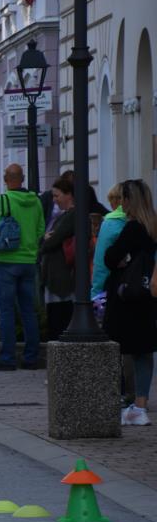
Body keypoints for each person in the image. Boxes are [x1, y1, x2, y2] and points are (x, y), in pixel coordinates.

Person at [105, 179, 157, 426]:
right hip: (149, 295)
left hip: (127, 296)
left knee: (116, 347)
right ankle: (140, 405)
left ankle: (117, 400)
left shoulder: (132, 228)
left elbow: (110, 258)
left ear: (128, 201)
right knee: (143, 351)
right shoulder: (153, 227)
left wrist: (119, 258)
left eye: (123, 199)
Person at [0, 164, 45, 371]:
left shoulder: (1, 201)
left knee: (6, 312)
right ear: (23, 178)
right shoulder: (36, 201)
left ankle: (7, 359)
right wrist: (31, 249)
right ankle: (31, 358)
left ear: (5, 179)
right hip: (28, 262)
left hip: (5, 261)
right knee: (29, 311)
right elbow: (40, 230)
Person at [40, 178, 77, 340]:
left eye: (57, 196)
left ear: (69, 195)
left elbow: (53, 240)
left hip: (61, 278)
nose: (54, 200)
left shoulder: (71, 215)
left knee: (58, 321)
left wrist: (44, 240)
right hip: (57, 276)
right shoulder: (64, 216)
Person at [92, 183, 126, 299]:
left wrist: (96, 292)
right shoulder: (143, 219)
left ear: (117, 200)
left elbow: (100, 261)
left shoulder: (110, 223)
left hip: (112, 285)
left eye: (111, 200)